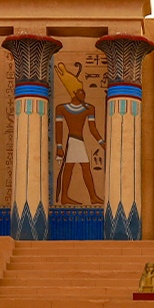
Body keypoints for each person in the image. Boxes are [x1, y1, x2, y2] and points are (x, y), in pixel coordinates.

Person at [54, 62, 104, 205]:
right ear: (74, 92)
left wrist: (102, 142)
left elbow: (92, 129)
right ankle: (72, 197)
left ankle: (89, 196)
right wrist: (59, 146)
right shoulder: (61, 108)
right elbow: (59, 128)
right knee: (78, 167)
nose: (84, 93)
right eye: (81, 91)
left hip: (78, 141)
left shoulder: (89, 108)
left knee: (76, 168)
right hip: (72, 141)